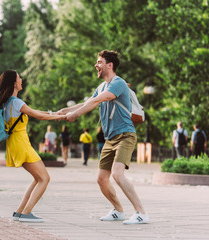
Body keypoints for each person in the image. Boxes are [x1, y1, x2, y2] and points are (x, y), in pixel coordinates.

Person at [56, 50, 149, 224]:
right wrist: (64, 111)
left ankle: (141, 213)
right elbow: (87, 102)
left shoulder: (118, 83)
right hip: (110, 138)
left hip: (125, 135)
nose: (96, 65)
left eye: (99, 62)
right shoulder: (101, 87)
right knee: (101, 179)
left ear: (109, 65)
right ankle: (118, 211)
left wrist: (75, 114)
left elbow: (95, 102)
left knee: (117, 174)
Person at [0, 70, 65, 223]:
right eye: (19, 77)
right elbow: (38, 116)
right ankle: (26, 213)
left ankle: (20, 212)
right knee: (44, 178)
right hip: (21, 144)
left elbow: (34, 111)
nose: (21, 79)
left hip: (15, 144)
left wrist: (54, 113)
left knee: (38, 178)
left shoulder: (8, 103)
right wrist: (61, 117)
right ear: (14, 83)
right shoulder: (16, 102)